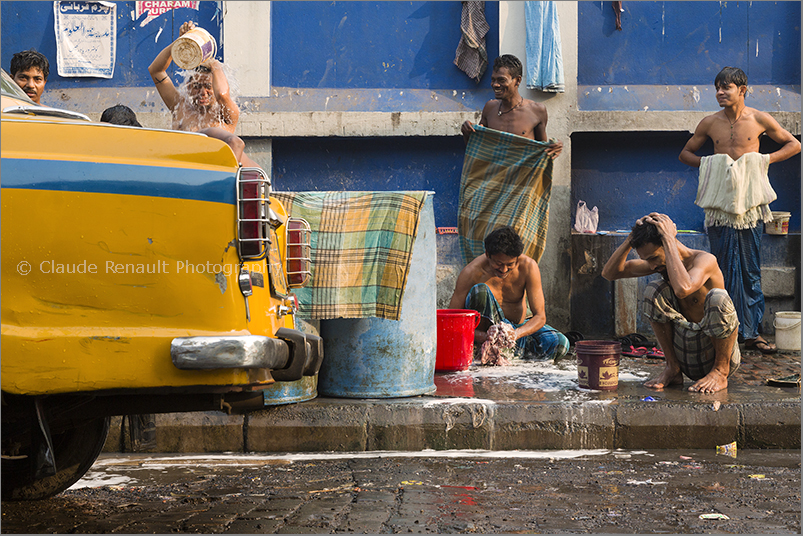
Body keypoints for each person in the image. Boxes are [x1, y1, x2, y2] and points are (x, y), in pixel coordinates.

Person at [679, 66, 800, 354]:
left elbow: (794, 145)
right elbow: (685, 154)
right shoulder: (709, 123)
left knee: (750, 269)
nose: (720, 92)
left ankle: (751, 332)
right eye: (717, 88)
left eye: (726, 88)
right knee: (717, 266)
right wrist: (715, 166)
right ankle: (721, 329)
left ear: (742, 90)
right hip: (720, 207)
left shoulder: (759, 119)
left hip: (749, 209)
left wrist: (761, 161)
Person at [602, 213, 740, 393]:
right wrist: (631, 238)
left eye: (653, 258)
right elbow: (610, 273)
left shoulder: (704, 260)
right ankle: (672, 369)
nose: (651, 266)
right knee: (654, 289)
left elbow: (684, 288)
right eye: (647, 260)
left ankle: (720, 373)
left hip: (716, 352)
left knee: (718, 297)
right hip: (687, 353)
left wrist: (668, 237)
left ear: (668, 244)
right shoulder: (660, 265)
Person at [449, 226, 569, 361]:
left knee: (560, 343)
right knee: (480, 290)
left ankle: (507, 351)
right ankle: (489, 348)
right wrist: (485, 336)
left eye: (510, 264)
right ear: (488, 254)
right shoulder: (471, 272)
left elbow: (540, 317)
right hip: (486, 336)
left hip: (515, 331)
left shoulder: (529, 267)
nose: (504, 269)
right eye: (498, 263)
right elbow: (452, 322)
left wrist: (514, 334)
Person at [460, 54, 562, 159]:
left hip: (523, 175)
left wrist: (555, 146)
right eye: (493, 79)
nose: (495, 84)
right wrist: (467, 132)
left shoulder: (536, 110)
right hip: (494, 174)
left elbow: (542, 152)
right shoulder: (490, 108)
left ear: (517, 80)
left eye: (501, 80)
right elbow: (478, 150)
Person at [148, 21, 240, 133]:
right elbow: (155, 71)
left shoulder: (226, 113)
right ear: (188, 87)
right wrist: (180, 43)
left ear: (215, 87)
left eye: (208, 86)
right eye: (196, 86)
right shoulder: (180, 107)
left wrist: (214, 63)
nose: (203, 92)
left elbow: (222, 94)